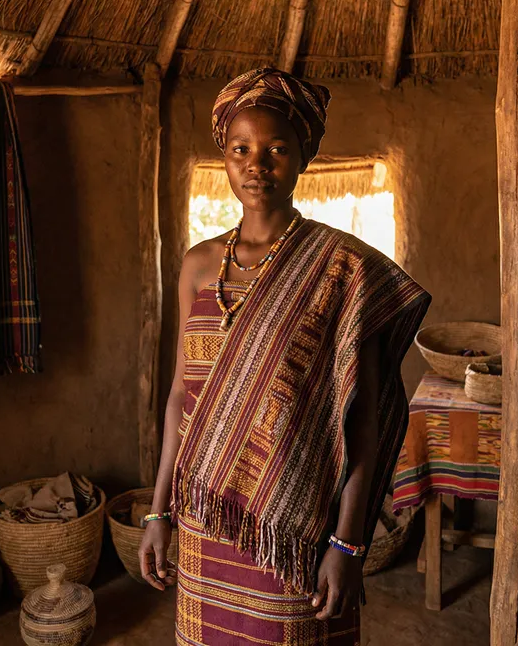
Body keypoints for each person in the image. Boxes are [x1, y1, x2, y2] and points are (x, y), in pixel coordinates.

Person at [139, 67, 430, 645]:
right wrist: (158, 511)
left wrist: (348, 544)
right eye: (241, 149)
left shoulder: (344, 270)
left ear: (304, 156)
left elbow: (363, 421)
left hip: (295, 521)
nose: (257, 164)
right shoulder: (198, 265)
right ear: (223, 156)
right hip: (205, 514)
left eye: (276, 148)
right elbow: (180, 396)